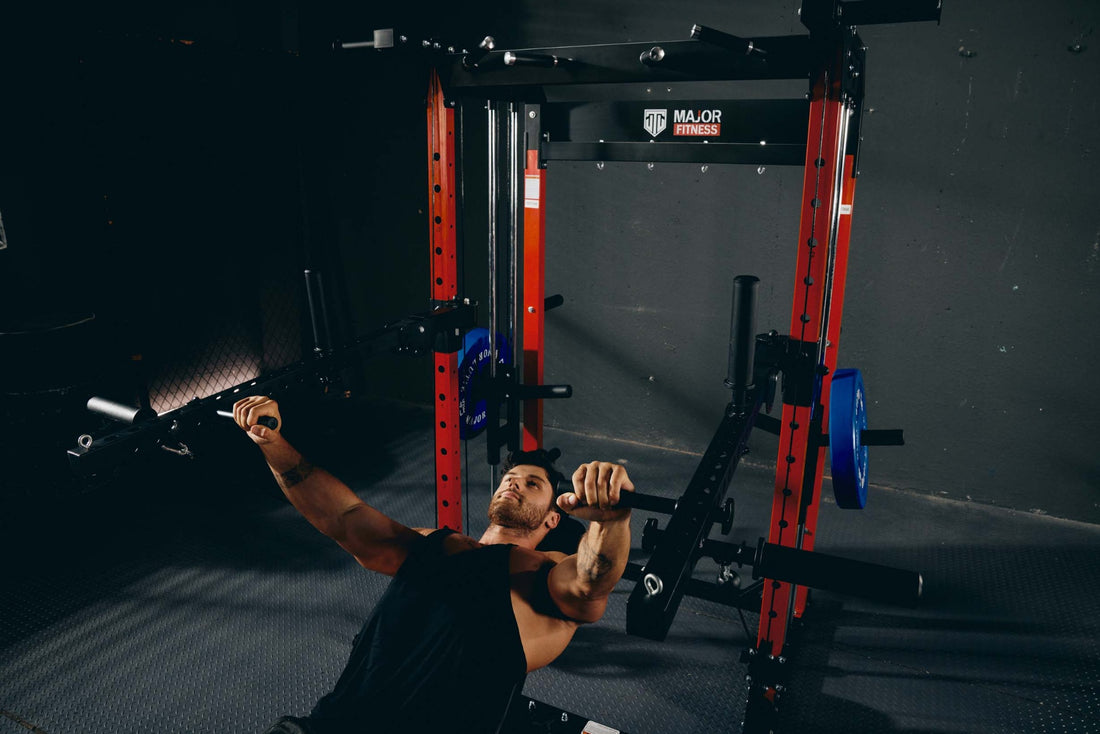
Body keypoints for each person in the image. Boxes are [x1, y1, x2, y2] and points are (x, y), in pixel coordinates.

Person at [231, 396, 635, 734]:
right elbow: (344, 517)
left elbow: (590, 582)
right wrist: (273, 442)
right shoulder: (434, 543)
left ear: (552, 519)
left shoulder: (543, 571)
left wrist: (610, 520)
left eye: (533, 484)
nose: (514, 483)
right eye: (510, 477)